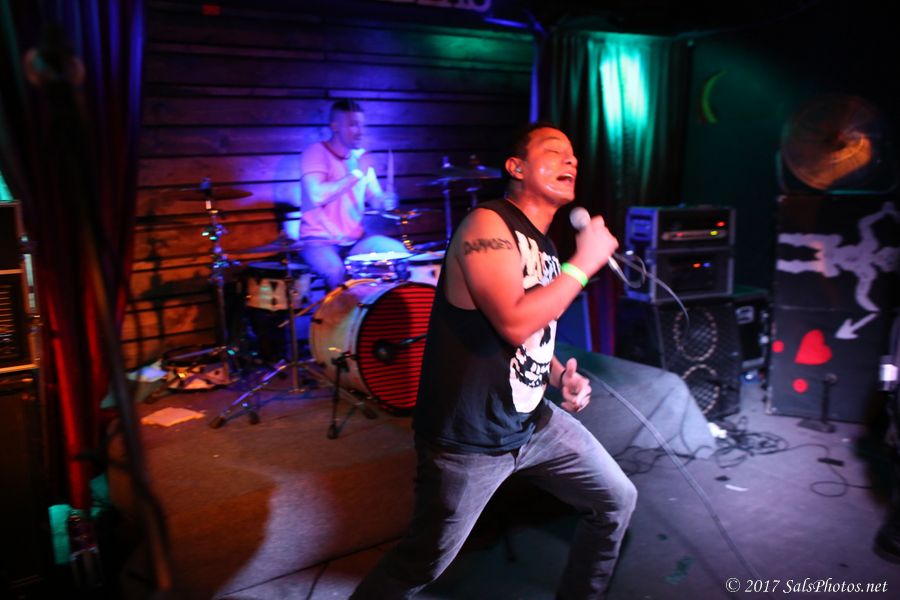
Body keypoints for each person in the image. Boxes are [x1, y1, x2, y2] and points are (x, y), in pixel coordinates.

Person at [351, 122, 637, 599]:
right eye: (555, 151)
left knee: (616, 499)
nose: (571, 160)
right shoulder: (487, 225)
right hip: (469, 440)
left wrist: (556, 375)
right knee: (420, 564)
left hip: (533, 423)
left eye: (573, 155)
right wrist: (585, 262)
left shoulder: (546, 248)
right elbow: (514, 321)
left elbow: (530, 334)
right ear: (516, 167)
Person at [294, 99, 398, 290]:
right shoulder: (315, 153)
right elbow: (317, 195)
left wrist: (386, 201)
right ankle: (339, 311)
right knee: (335, 271)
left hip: (355, 241)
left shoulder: (360, 156)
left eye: (362, 125)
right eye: (353, 125)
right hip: (318, 242)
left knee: (397, 252)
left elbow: (374, 199)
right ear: (335, 127)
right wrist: (356, 173)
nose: (360, 131)